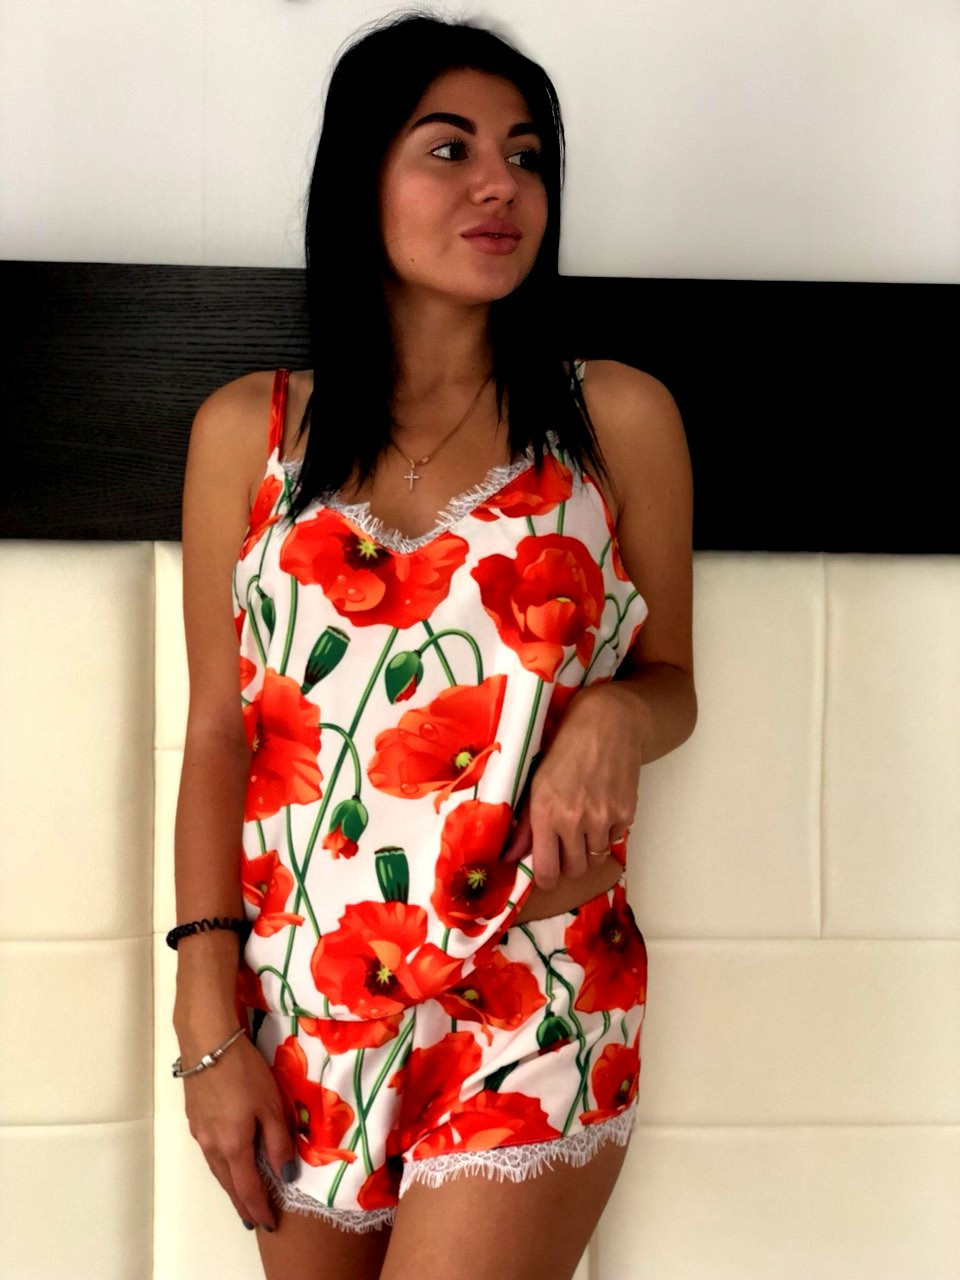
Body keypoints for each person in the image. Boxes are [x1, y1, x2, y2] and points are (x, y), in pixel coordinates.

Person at [170, 9, 696, 1279]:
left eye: (526, 156)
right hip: (301, 999)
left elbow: (673, 681)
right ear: (362, 179)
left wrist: (616, 714)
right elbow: (220, 734)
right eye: (449, 149)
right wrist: (204, 1016)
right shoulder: (249, 432)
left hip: (536, 981)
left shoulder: (613, 417)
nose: (500, 185)